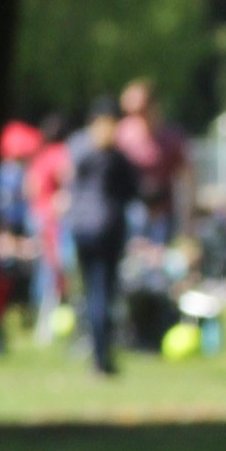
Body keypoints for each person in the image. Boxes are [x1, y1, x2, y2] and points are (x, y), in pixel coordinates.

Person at [65, 96, 136, 373]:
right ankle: (101, 357)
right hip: (108, 227)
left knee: (90, 292)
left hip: (81, 226)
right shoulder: (116, 157)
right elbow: (132, 192)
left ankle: (96, 352)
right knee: (103, 293)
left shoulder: (79, 150)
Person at [115, 80, 190, 236]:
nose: (137, 116)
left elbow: (186, 176)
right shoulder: (122, 134)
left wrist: (188, 214)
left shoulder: (171, 137)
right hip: (132, 208)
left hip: (163, 210)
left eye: (141, 110)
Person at [25, 113, 70, 336]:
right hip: (52, 221)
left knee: (42, 271)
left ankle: (39, 320)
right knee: (54, 272)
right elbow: (68, 185)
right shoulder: (61, 155)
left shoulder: (39, 157)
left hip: (35, 216)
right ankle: (47, 325)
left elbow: (29, 188)